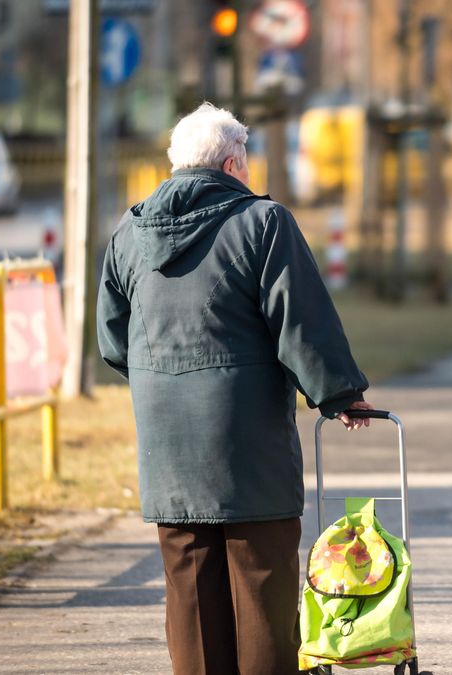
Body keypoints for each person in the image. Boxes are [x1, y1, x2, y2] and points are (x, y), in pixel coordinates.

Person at [96, 103, 372, 675]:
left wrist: (161, 383)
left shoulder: (129, 231)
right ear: (231, 163)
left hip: (167, 445)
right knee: (262, 590)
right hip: (248, 447)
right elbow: (301, 323)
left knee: (190, 596)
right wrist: (339, 393)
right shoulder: (263, 223)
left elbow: (112, 339)